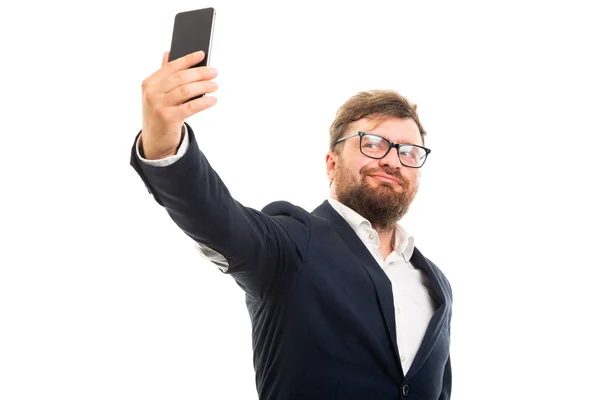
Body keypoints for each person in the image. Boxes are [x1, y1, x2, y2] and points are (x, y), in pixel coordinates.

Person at [130, 50, 453, 400]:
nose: (393, 160)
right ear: (332, 165)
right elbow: (217, 219)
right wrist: (164, 141)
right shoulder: (293, 243)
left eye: (409, 152)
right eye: (372, 144)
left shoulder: (436, 283)